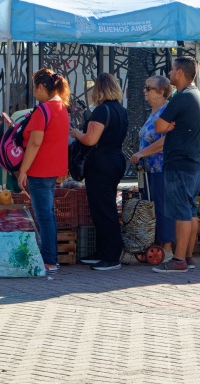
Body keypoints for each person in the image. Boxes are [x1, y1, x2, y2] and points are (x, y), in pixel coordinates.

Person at [151, 56, 200, 273]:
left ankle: (179, 259)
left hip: (180, 163)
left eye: (172, 70)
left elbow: (159, 126)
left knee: (182, 211)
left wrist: (167, 125)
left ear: (180, 73)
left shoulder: (180, 98)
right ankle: (189, 256)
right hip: (192, 162)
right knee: (190, 209)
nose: (170, 74)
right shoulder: (196, 94)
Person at [71, 73, 129, 272]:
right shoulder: (121, 110)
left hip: (102, 163)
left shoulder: (102, 110)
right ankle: (103, 252)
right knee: (104, 207)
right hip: (115, 160)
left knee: (104, 209)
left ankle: (112, 256)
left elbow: (90, 140)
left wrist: (76, 133)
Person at [17, 68, 71, 275]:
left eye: (34, 88)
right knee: (48, 215)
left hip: (40, 169)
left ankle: (49, 260)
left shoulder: (43, 110)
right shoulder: (61, 107)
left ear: (41, 87)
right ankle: (51, 257)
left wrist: (23, 170)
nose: (33, 92)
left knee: (44, 216)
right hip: (54, 168)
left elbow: (35, 142)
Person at [129, 75, 175, 260]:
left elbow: (167, 140)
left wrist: (142, 153)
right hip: (149, 170)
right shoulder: (153, 112)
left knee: (162, 207)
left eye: (149, 88)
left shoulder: (167, 111)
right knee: (152, 208)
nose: (145, 91)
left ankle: (167, 248)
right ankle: (154, 244)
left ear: (161, 92)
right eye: (145, 87)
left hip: (161, 168)